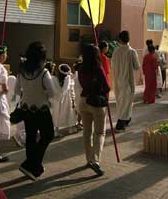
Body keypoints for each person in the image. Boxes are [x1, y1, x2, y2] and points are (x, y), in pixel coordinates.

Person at [15, 41, 55, 181]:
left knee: (31, 137)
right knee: (48, 135)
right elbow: (52, 93)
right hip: (41, 110)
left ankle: (32, 165)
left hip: (26, 109)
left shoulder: (22, 71)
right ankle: (31, 164)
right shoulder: (44, 73)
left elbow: (16, 90)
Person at [77, 44, 110, 176]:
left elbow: (81, 83)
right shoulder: (98, 68)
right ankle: (95, 160)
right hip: (97, 103)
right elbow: (107, 87)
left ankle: (88, 159)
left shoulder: (80, 68)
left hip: (84, 100)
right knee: (99, 133)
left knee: (87, 132)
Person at [111, 30, 140, 132]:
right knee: (127, 103)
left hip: (117, 81)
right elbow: (137, 66)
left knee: (121, 102)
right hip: (128, 82)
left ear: (120, 39)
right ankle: (120, 123)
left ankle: (126, 119)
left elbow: (112, 66)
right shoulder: (131, 52)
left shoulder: (115, 51)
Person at [51, 64, 77, 137]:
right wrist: (73, 100)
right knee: (69, 113)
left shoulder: (53, 78)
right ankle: (71, 128)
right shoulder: (68, 79)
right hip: (66, 99)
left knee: (56, 114)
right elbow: (71, 90)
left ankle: (56, 130)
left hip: (56, 99)